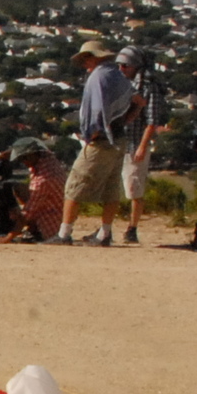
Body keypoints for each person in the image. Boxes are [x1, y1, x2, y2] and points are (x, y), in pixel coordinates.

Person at [57, 37, 134, 245]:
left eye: (85, 59)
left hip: (101, 140)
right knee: (111, 186)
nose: (83, 64)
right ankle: (105, 233)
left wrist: (94, 132)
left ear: (92, 58)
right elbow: (137, 101)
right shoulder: (119, 75)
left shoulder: (98, 77)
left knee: (75, 184)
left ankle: (64, 233)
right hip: (119, 138)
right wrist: (125, 120)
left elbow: (98, 109)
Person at [119, 46, 169, 245]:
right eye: (119, 65)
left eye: (126, 65)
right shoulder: (124, 84)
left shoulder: (149, 86)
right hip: (120, 140)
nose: (121, 69)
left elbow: (152, 119)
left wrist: (142, 145)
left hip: (135, 142)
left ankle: (132, 227)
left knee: (134, 186)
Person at [6, 136, 66, 241]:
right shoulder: (49, 160)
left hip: (48, 228)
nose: (23, 162)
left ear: (30, 156)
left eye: (23, 159)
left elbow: (28, 212)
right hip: (58, 213)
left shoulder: (42, 180)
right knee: (19, 187)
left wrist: (8, 237)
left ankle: (34, 231)